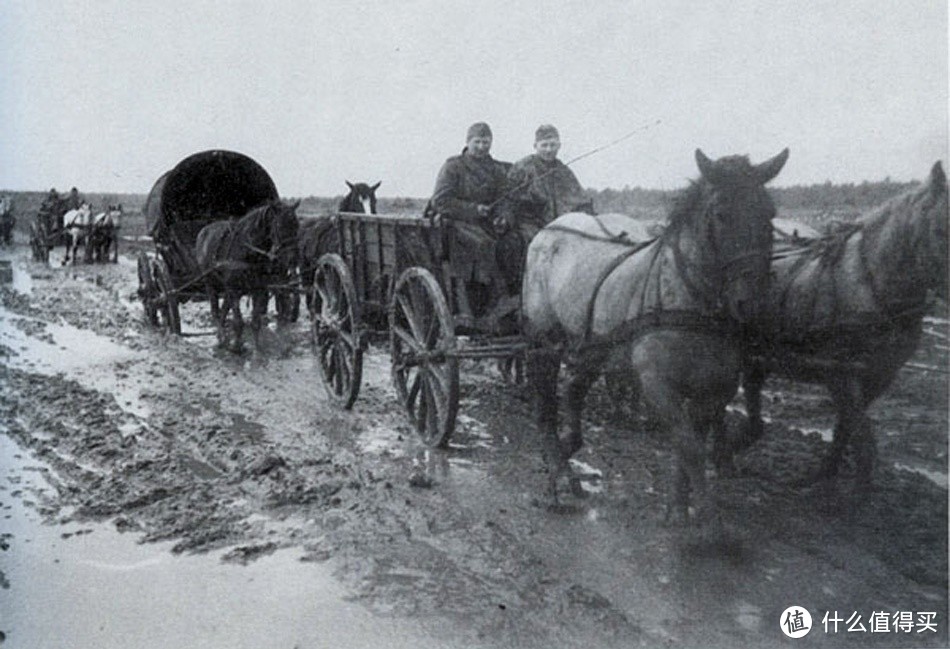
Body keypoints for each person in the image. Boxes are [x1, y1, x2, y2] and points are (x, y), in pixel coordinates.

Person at [425, 122, 512, 322]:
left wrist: (504, 218)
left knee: (514, 242)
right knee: (483, 244)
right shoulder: (453, 166)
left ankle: (515, 299)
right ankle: (489, 303)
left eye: (486, 142)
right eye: (477, 142)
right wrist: (474, 209)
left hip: (488, 223)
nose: (482, 146)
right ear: (468, 142)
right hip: (454, 223)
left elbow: (506, 199)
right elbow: (441, 201)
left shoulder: (497, 169)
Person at [496, 124, 595, 291]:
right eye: (544, 145)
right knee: (522, 246)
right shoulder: (523, 168)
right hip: (530, 224)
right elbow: (508, 199)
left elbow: (580, 199)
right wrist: (505, 218)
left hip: (561, 225)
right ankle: (520, 290)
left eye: (553, 145)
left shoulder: (564, 171)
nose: (549, 150)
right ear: (535, 146)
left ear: (559, 146)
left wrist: (589, 217)